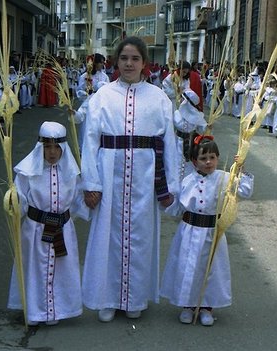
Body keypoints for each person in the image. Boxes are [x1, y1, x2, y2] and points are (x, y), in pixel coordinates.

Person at [81, 36, 180, 322]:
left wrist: (171, 185)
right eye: (124, 58)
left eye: (135, 58)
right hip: (109, 173)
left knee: (140, 236)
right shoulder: (102, 95)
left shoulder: (158, 97)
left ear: (144, 63)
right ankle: (107, 298)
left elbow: (170, 142)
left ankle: (135, 298)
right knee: (107, 237)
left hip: (145, 176)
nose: (129, 63)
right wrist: (91, 182)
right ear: (116, 61)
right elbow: (89, 140)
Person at [161, 134, 254, 326]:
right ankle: (188, 305)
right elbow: (178, 207)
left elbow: (244, 191)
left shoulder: (225, 178)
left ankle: (206, 307)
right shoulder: (187, 180)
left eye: (212, 157)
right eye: (203, 158)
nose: (208, 162)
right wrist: (166, 201)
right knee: (188, 267)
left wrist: (241, 169)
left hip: (213, 232)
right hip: (189, 231)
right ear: (195, 162)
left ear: (218, 158)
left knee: (210, 269)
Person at [7, 121, 89, 326]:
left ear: (63, 148)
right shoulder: (27, 173)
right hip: (35, 230)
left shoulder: (72, 173)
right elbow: (20, 202)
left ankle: (57, 311)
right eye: (47, 147)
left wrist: (91, 199)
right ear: (40, 147)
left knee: (61, 269)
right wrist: (13, 203)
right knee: (34, 269)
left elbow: (79, 202)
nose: (52, 152)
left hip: (62, 230)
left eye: (56, 147)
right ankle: (35, 311)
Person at [173, 89, 207, 181]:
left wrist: (208, 127)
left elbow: (202, 130)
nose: (180, 100)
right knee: (176, 161)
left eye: (182, 99)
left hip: (190, 143)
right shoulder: (177, 113)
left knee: (187, 164)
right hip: (176, 141)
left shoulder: (198, 116)